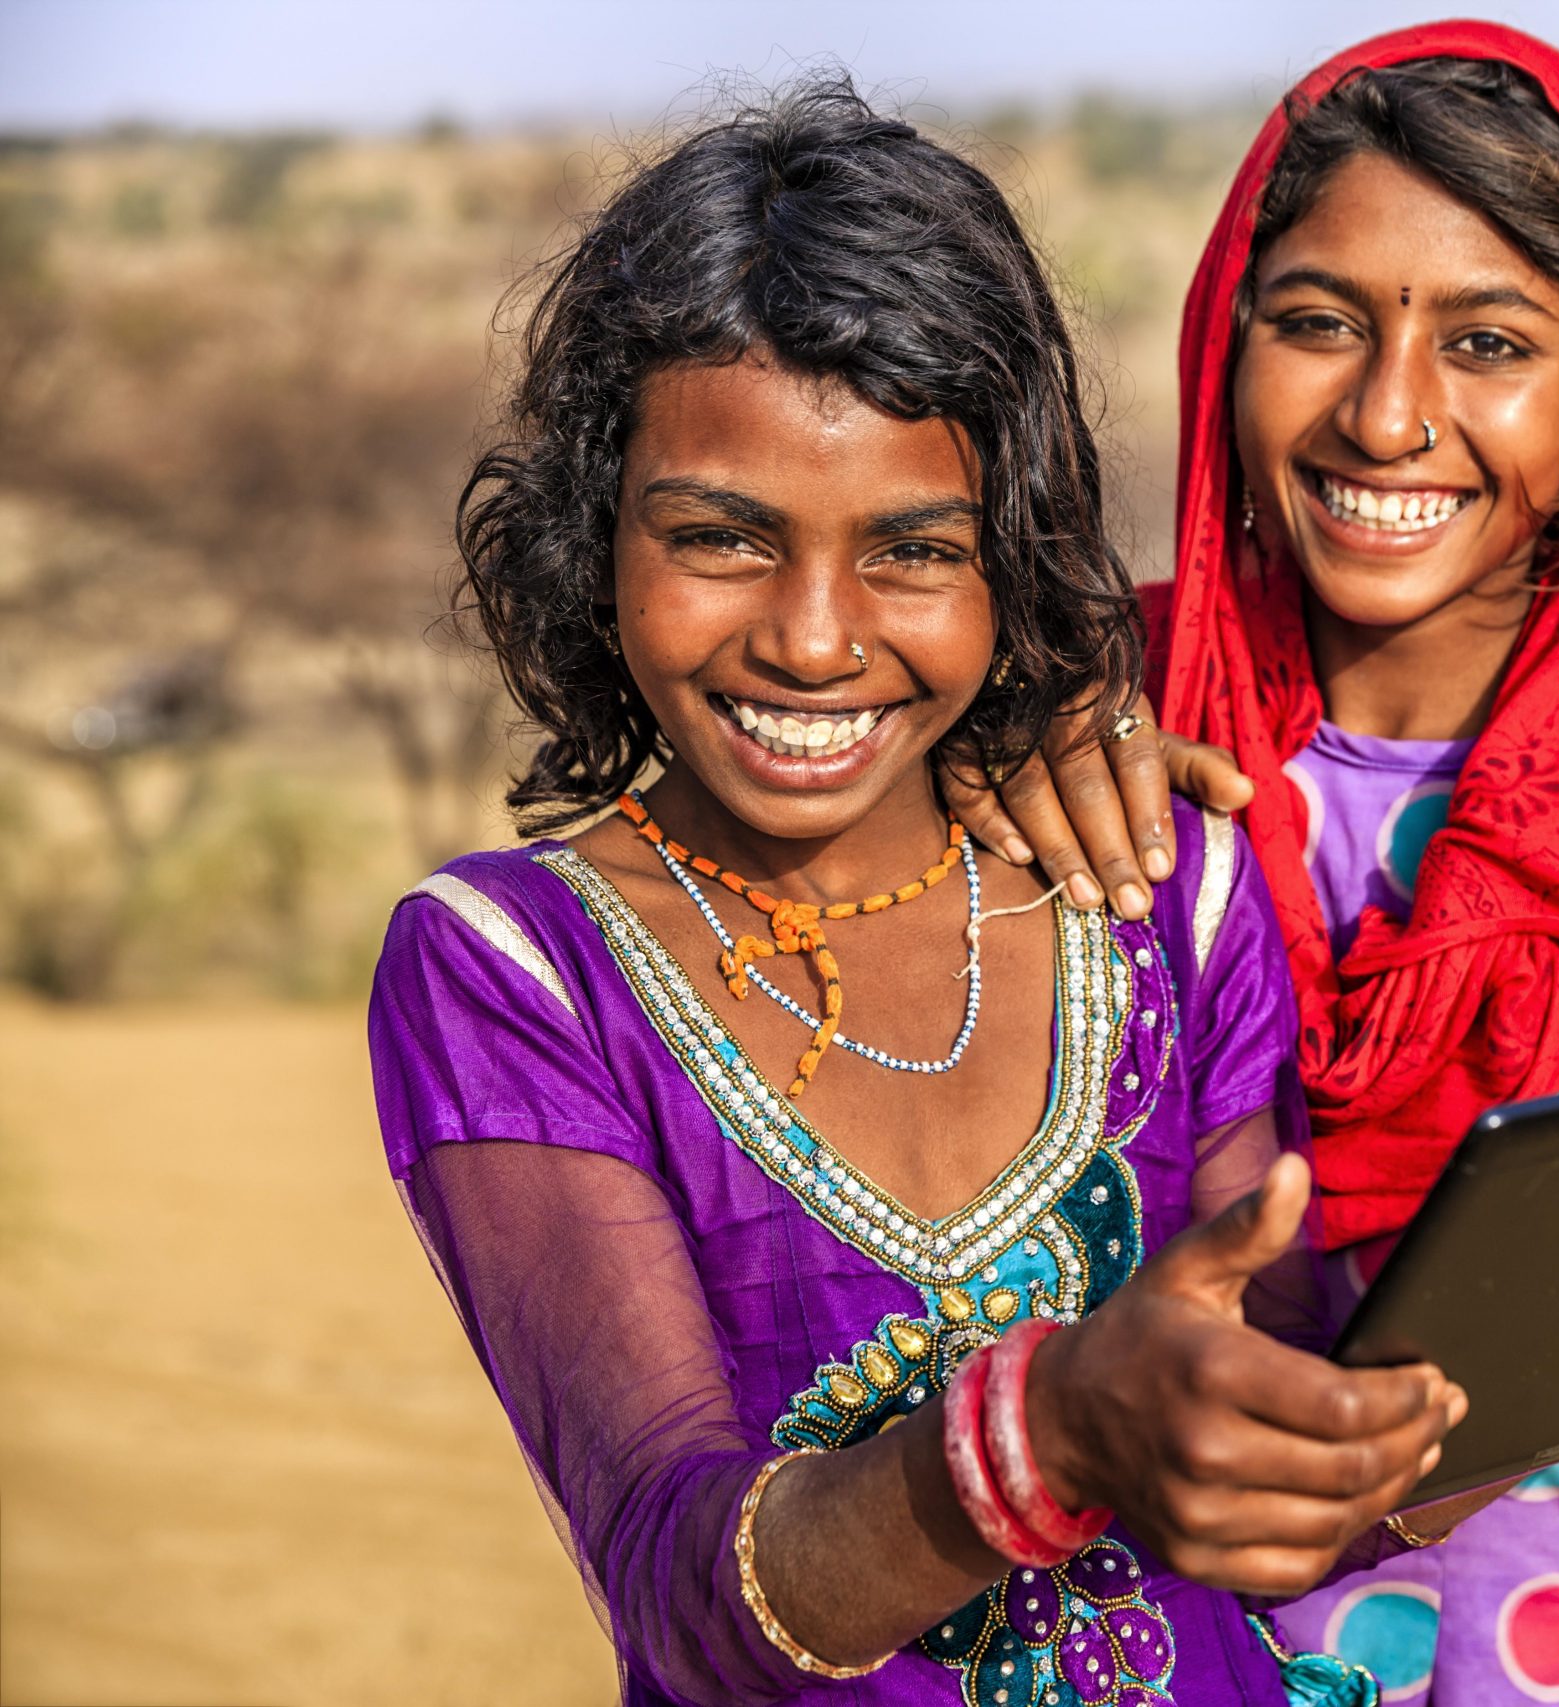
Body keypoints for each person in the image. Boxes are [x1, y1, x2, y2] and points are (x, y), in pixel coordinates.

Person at [371, 81, 1466, 1707]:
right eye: (723, 539)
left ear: (1010, 556)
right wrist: (1049, 1430)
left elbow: (1306, 1466)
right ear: (592, 537)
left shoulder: (1165, 904)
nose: (814, 640)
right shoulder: (515, 973)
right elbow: (687, 1595)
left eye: (913, 552)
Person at [946, 24, 1559, 1704]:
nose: (1390, 414)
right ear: (1226, 342)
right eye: (1319, 322)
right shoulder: (1077, 743)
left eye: (1488, 343)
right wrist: (1012, 736)